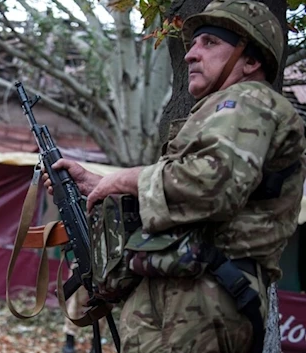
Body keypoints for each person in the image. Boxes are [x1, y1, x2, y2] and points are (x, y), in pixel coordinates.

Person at [44, 1, 306, 352]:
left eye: (210, 42)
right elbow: (181, 190)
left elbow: (210, 185)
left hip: (205, 296)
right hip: (182, 298)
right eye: (193, 44)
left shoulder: (250, 99)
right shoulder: (219, 112)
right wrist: (97, 184)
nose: (190, 55)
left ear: (251, 60)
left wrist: (124, 180)